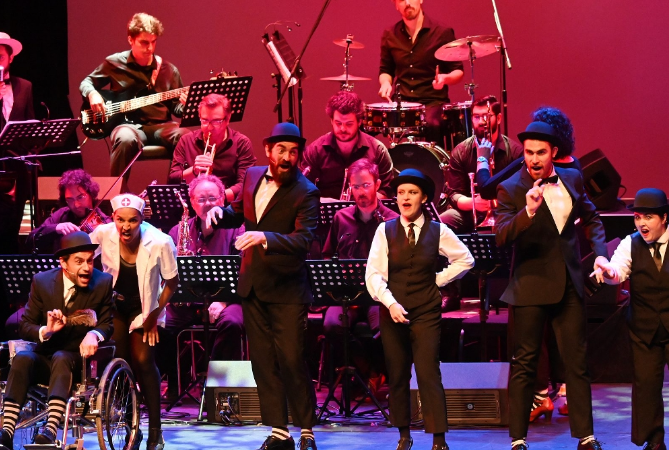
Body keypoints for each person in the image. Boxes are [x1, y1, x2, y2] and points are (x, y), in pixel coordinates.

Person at [495, 121, 609, 450]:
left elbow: (592, 218)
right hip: (530, 286)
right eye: (529, 152)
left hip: (569, 285)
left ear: (553, 153)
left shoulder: (572, 178)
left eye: (540, 153)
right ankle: (518, 439)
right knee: (525, 364)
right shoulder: (510, 188)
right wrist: (528, 211)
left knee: (577, 362)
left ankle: (586, 437)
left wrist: (600, 254)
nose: (533, 159)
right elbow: (501, 236)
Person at [207, 123, 319, 450]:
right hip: (254, 285)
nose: (287, 158)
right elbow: (239, 212)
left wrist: (264, 237)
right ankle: (280, 431)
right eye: (281, 150)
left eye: (293, 152)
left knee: (292, 360)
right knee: (263, 363)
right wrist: (219, 213)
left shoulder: (306, 191)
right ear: (268, 150)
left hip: (287, 289)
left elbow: (304, 240)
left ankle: (307, 431)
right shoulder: (253, 176)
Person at [366, 168, 474, 450]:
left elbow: (466, 260)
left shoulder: (438, 231)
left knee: (428, 373)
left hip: (426, 311)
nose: (405, 198)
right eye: (401, 192)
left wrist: (437, 280)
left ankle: (439, 440)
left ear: (423, 198)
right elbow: (373, 274)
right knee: (397, 374)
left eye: (412, 193)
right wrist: (390, 303)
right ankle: (404, 436)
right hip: (393, 311)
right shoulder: (385, 230)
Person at [0, 231, 113, 449]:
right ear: (63, 263)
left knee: (62, 357)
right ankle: (7, 431)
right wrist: (46, 330)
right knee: (22, 359)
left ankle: (51, 429)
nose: (87, 268)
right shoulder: (42, 282)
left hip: (78, 362)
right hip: (46, 357)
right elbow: (25, 325)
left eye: (90, 261)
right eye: (79, 261)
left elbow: (107, 324)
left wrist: (94, 334)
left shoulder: (102, 282)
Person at [90, 193, 178, 450]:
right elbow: (81, 254)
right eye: (120, 220)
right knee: (120, 362)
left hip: (145, 307)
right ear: (113, 218)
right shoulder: (103, 233)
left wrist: (153, 317)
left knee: (142, 360)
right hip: (116, 305)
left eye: (132, 221)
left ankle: (155, 431)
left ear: (142, 220)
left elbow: (172, 282)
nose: (126, 226)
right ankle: (131, 429)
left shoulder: (160, 241)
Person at [592, 188, 669, 450]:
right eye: (637, 217)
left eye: (648, 217)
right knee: (646, 386)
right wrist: (607, 271)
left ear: (664, 218)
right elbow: (618, 271)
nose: (641, 223)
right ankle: (654, 442)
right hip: (644, 326)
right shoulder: (630, 243)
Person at [79, 13, 189, 192]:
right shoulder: (115, 63)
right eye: (144, 42)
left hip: (161, 125)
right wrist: (92, 94)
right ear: (130, 39)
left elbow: (176, 108)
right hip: (127, 125)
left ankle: (174, 194)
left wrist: (187, 105)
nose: (150, 48)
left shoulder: (169, 70)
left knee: (186, 137)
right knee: (125, 138)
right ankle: (117, 195)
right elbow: (86, 82)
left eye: (153, 42)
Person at [162, 175, 244, 401]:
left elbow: (245, 271)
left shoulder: (238, 229)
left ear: (223, 200)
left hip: (228, 299)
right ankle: (176, 385)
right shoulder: (178, 231)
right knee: (161, 324)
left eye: (212, 198)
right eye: (201, 199)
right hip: (189, 302)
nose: (207, 204)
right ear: (191, 202)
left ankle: (222, 391)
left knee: (232, 322)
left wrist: (224, 300)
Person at [321, 159, 398, 393]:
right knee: (331, 325)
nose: (361, 192)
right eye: (355, 187)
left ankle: (383, 378)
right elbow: (328, 255)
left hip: (378, 295)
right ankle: (370, 373)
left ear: (377, 184)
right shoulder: (341, 218)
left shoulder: (393, 220)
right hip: (348, 294)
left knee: (385, 330)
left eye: (366, 185)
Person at [378, 0, 464, 145]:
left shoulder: (442, 32)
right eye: (401, 0)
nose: (407, 3)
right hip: (402, 102)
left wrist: (444, 78)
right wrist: (385, 83)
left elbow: (458, 71)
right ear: (396, 5)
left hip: (432, 102)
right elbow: (385, 70)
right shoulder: (390, 34)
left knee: (431, 124)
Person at [441, 95, 523, 233]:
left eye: (486, 116)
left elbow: (520, 191)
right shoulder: (460, 152)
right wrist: (474, 203)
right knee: (444, 220)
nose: (481, 122)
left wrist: (498, 202)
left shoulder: (515, 152)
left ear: (499, 118)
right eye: (476, 117)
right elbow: (454, 194)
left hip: (505, 211)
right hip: (472, 211)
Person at [300, 90, 393, 200]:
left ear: (359, 122)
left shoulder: (377, 150)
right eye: (338, 123)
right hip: (326, 210)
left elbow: (387, 192)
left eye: (349, 124)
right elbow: (303, 191)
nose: (343, 129)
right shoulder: (315, 151)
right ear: (331, 121)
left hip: (364, 210)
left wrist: (362, 201)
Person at [168, 93, 256, 204]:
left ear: (228, 119)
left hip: (226, 207)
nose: (209, 127)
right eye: (204, 120)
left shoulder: (241, 143)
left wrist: (216, 198)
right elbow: (173, 179)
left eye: (216, 121)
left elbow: (245, 184)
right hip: (193, 206)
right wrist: (194, 171)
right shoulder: (186, 141)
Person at [0, 32, 35, 254]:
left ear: (10, 58)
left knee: (14, 223)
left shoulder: (25, 86)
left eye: (0, 57)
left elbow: (29, 123)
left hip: (17, 163)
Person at [27, 169, 111, 254]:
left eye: (80, 197)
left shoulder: (105, 223)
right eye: (70, 199)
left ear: (91, 194)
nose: (76, 205)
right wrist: (55, 228)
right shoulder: (61, 215)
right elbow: (31, 239)